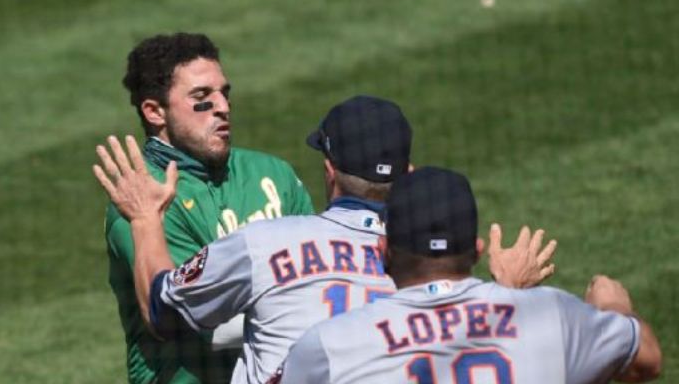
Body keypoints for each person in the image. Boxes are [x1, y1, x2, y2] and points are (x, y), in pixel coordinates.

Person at [94, 96, 557, 384]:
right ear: (409, 174)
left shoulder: (265, 242)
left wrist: (145, 218)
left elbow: (164, 310)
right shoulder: (429, 267)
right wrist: (508, 293)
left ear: (329, 170)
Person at [280, 166, 663, 383]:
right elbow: (647, 357)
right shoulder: (553, 317)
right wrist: (612, 305)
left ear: (383, 253)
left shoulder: (330, 344)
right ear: (478, 250)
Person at [103, 32, 315, 384]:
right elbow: (194, 316)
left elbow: (320, 275)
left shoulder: (272, 174)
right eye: (202, 98)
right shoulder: (142, 201)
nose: (223, 107)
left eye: (224, 93)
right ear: (155, 112)